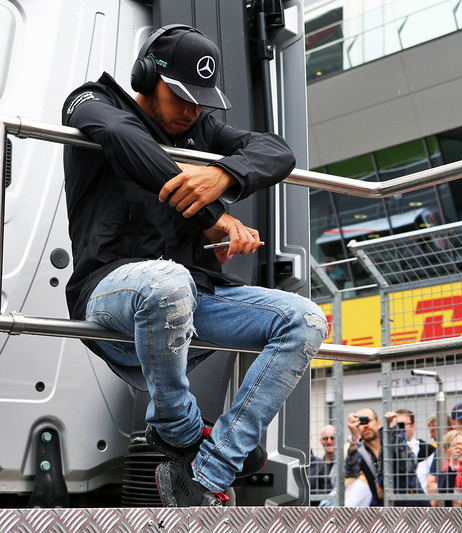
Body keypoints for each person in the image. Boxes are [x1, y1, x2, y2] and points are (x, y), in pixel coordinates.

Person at [61, 24, 328, 507]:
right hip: (108, 293)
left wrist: (227, 171)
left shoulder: (201, 128)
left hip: (189, 296)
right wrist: (214, 216)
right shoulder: (92, 101)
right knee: (168, 279)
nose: (192, 111)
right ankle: (180, 430)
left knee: (306, 319)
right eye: (181, 96)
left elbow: (277, 150)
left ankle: (208, 470)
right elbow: (124, 138)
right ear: (147, 77)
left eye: (202, 100)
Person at [345, 408, 428, 507]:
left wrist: (393, 429)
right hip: (384, 508)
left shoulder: (393, 437)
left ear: (378, 423)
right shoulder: (359, 449)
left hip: (412, 505)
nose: (366, 425)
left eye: (369, 420)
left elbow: (410, 466)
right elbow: (351, 473)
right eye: (361, 422)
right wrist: (354, 437)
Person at [396, 409, 435, 493]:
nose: (399, 428)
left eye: (403, 425)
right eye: (396, 425)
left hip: (423, 500)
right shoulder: (389, 452)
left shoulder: (427, 450)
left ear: (413, 427)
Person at [308, 425, 337, 502]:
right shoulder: (316, 465)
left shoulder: (343, 464)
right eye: (325, 438)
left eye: (332, 438)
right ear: (321, 440)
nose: (329, 441)